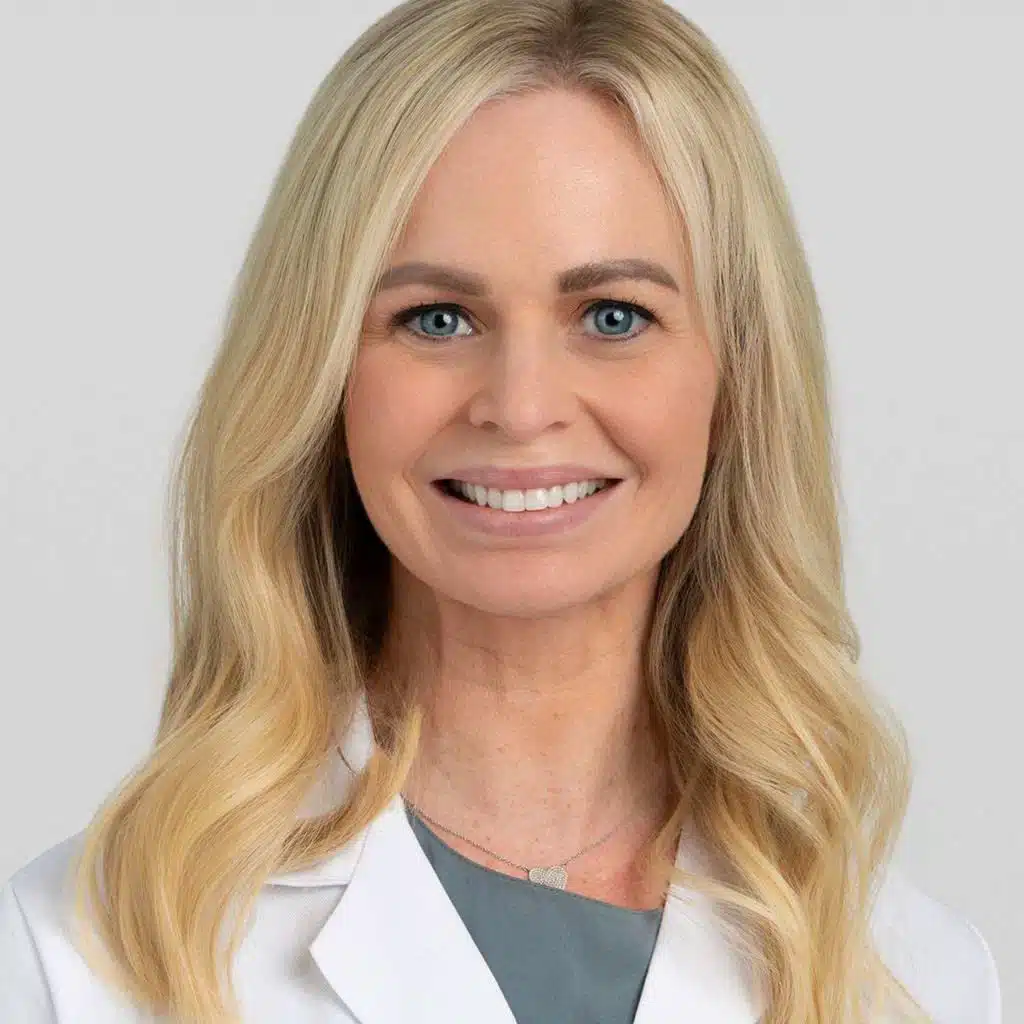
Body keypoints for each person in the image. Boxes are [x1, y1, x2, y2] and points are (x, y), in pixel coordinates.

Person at [0, 1, 1002, 1021]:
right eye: (436, 318)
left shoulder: (914, 978)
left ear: (736, 374)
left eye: (613, 315)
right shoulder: (75, 957)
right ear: (321, 372)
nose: (520, 408)